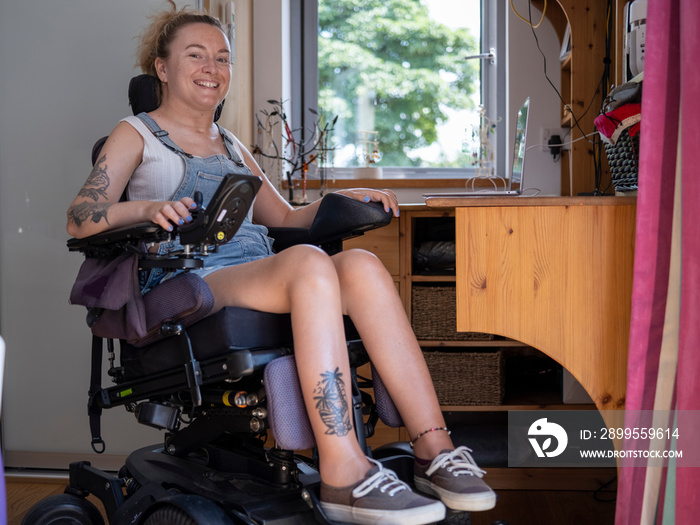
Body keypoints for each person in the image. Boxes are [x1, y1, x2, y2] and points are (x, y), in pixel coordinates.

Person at [66, 4, 495, 524]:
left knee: (359, 264)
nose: (212, 68)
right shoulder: (135, 132)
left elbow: (287, 217)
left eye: (222, 58)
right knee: (308, 265)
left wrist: (343, 198)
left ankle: (435, 448)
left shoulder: (231, 145)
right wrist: (146, 208)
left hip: (256, 270)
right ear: (161, 67)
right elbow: (80, 217)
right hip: (188, 280)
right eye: (195, 55)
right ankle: (343, 472)